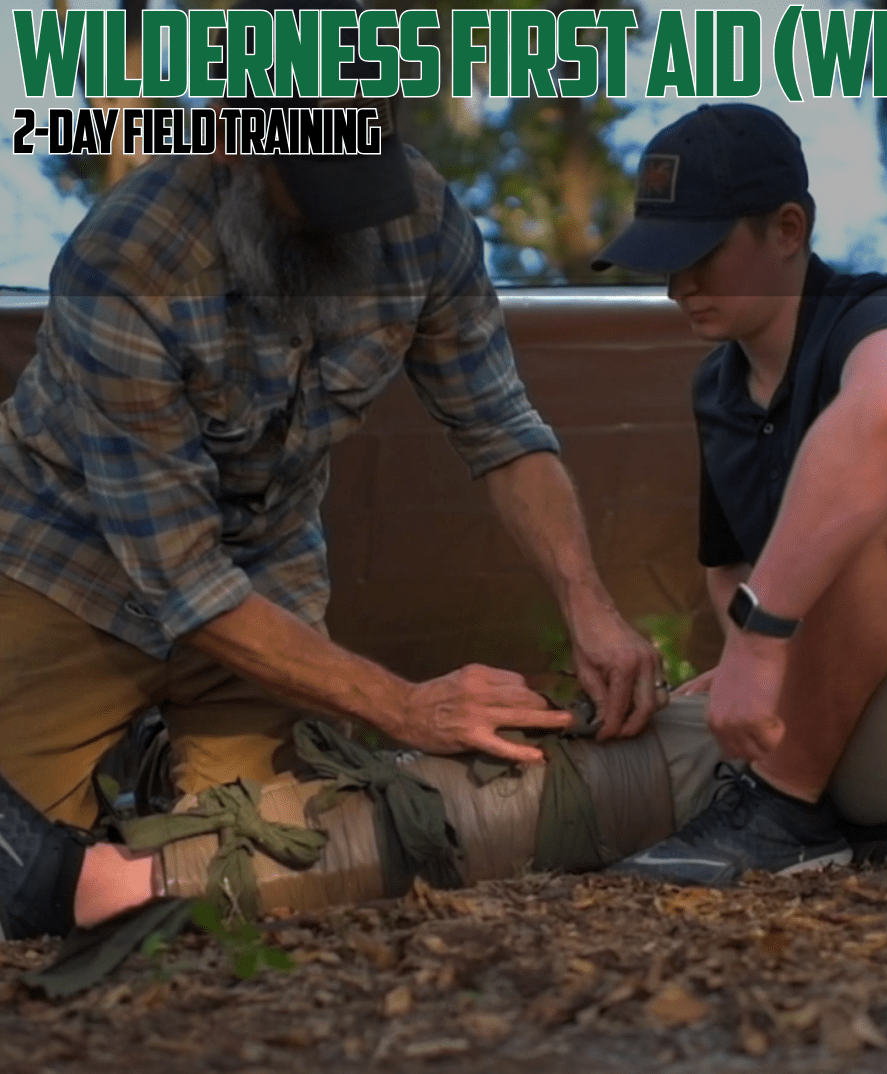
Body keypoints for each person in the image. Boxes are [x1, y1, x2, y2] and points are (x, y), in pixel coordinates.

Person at [0, 0, 666, 939]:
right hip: (66, 573)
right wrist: (405, 707)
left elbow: (501, 428)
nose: (345, 217)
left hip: (269, 580)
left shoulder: (424, 219)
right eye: (312, 185)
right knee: (29, 896)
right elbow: (184, 581)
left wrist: (588, 605)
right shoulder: (125, 261)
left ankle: (157, 774)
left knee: (271, 871)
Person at [592, 104, 887, 885]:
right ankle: (779, 789)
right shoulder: (718, 387)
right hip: (828, 720)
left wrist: (765, 642)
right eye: (664, 258)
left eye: (701, 250)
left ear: (790, 229)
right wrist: (743, 659)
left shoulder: (885, 315)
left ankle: (786, 815)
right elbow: (727, 565)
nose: (678, 285)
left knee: (872, 462)